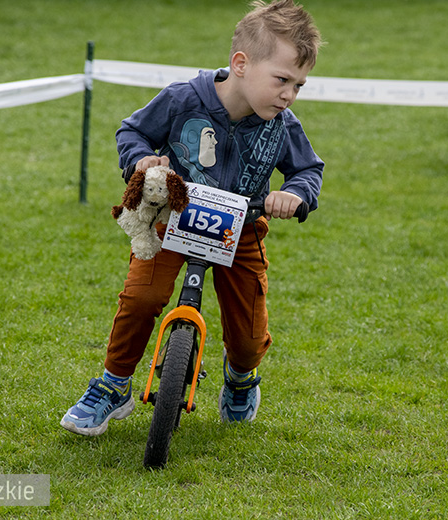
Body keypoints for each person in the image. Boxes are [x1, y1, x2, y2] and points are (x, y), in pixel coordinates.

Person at [61, 0, 324, 435]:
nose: (289, 95)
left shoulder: (282, 125)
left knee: (248, 335)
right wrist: (143, 160)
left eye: (298, 85)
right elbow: (133, 131)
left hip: (240, 230)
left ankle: (240, 378)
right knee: (141, 298)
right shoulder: (184, 98)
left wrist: (293, 194)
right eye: (282, 80)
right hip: (171, 220)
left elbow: (307, 169)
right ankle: (113, 385)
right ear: (241, 63)